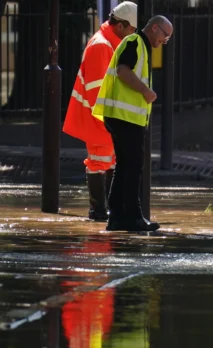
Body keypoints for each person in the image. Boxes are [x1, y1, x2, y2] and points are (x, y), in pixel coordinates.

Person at [92, 15, 174, 232]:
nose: (165, 41)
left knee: (126, 165)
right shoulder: (134, 42)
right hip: (124, 116)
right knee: (134, 165)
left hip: (122, 115)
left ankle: (118, 217)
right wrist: (146, 91)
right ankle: (133, 216)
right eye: (165, 35)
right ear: (155, 28)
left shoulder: (141, 46)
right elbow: (122, 70)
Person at [62, 2, 137, 222]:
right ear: (122, 25)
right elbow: (97, 89)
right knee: (100, 161)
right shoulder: (102, 46)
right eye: (132, 29)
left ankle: (106, 210)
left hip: (103, 116)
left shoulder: (106, 43)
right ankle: (99, 212)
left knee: (107, 161)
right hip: (100, 117)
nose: (133, 34)